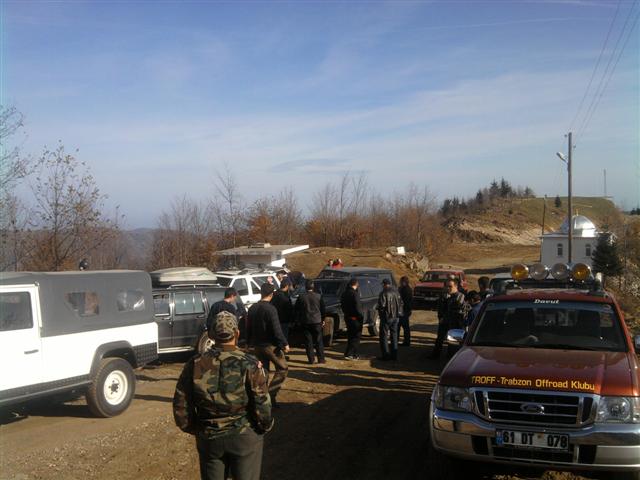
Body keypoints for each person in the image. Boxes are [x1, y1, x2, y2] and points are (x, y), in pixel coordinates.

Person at [173, 311, 273, 480]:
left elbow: (181, 403)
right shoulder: (250, 363)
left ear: (211, 335)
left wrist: (195, 428)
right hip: (244, 436)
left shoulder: (195, 363)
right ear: (237, 333)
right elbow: (262, 402)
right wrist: (264, 426)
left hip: (209, 436)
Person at [247, 283, 290, 406]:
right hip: (270, 346)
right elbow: (277, 329)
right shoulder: (271, 309)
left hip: (257, 345)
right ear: (271, 294)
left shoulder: (252, 308)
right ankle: (271, 395)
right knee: (283, 368)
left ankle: (262, 398)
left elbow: (248, 327)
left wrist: (248, 342)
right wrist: (285, 343)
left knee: (263, 371)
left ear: (261, 293)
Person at [429, 278, 466, 359]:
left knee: (452, 342)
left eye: (450, 286)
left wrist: (444, 317)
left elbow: (454, 311)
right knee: (440, 339)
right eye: (446, 286)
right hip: (445, 321)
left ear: (456, 286)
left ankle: (451, 358)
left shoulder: (460, 296)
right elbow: (441, 308)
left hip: (454, 322)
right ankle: (435, 355)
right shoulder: (446, 296)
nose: (447, 288)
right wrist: (441, 317)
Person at [295, 279, 326, 364]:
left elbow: (296, 310)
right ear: (313, 287)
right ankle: (321, 359)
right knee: (319, 341)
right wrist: (323, 319)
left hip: (305, 321)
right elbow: (323, 310)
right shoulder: (319, 296)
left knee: (308, 341)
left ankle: (311, 359)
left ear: (305, 287)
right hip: (317, 321)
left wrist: (298, 320)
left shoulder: (301, 297)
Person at [376, 279, 403, 361]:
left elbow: (382, 306)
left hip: (386, 318)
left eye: (382, 284)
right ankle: (394, 355)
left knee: (383, 336)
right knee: (394, 336)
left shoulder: (383, 293)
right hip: (396, 317)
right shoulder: (396, 292)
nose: (382, 286)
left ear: (384, 284)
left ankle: (386, 355)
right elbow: (401, 303)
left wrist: (380, 312)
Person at [340, 278, 364, 360]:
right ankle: (352, 354)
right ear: (356, 284)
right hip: (355, 318)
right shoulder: (355, 294)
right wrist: (360, 316)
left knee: (350, 336)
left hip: (347, 317)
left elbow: (342, 305)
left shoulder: (344, 293)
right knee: (356, 337)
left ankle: (349, 353)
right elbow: (358, 307)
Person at [398, 276, 413, 347]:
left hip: (403, 310)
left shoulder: (405, 290)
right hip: (406, 310)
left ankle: (405, 341)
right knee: (405, 327)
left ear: (403, 282)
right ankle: (406, 341)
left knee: (402, 326)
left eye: (401, 282)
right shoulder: (407, 289)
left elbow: (404, 301)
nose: (400, 283)